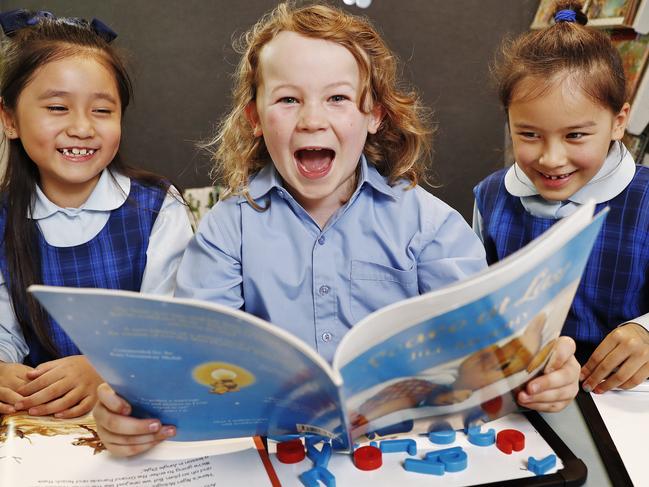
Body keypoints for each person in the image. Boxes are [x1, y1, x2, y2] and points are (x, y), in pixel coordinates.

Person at [94, 2, 580, 456]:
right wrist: (135, 410)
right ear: (255, 118)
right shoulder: (228, 228)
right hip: (275, 452)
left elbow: (485, 353)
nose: (311, 120)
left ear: (373, 115)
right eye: (287, 99)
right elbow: (193, 361)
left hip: (402, 451)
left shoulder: (427, 225)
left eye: (337, 98)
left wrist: (541, 370)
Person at [0, 10, 193, 419]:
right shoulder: (4, 217)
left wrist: (105, 370)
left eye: (102, 111)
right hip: (42, 426)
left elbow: (172, 331)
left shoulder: (156, 207)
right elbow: (4, 336)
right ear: (10, 119)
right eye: (57, 107)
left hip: (137, 414)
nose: (82, 128)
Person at [473, 0, 649, 396]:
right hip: (523, 396)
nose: (551, 159)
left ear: (618, 122)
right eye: (529, 134)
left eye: (575, 135)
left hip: (622, 402)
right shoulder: (490, 197)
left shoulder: (645, 201)